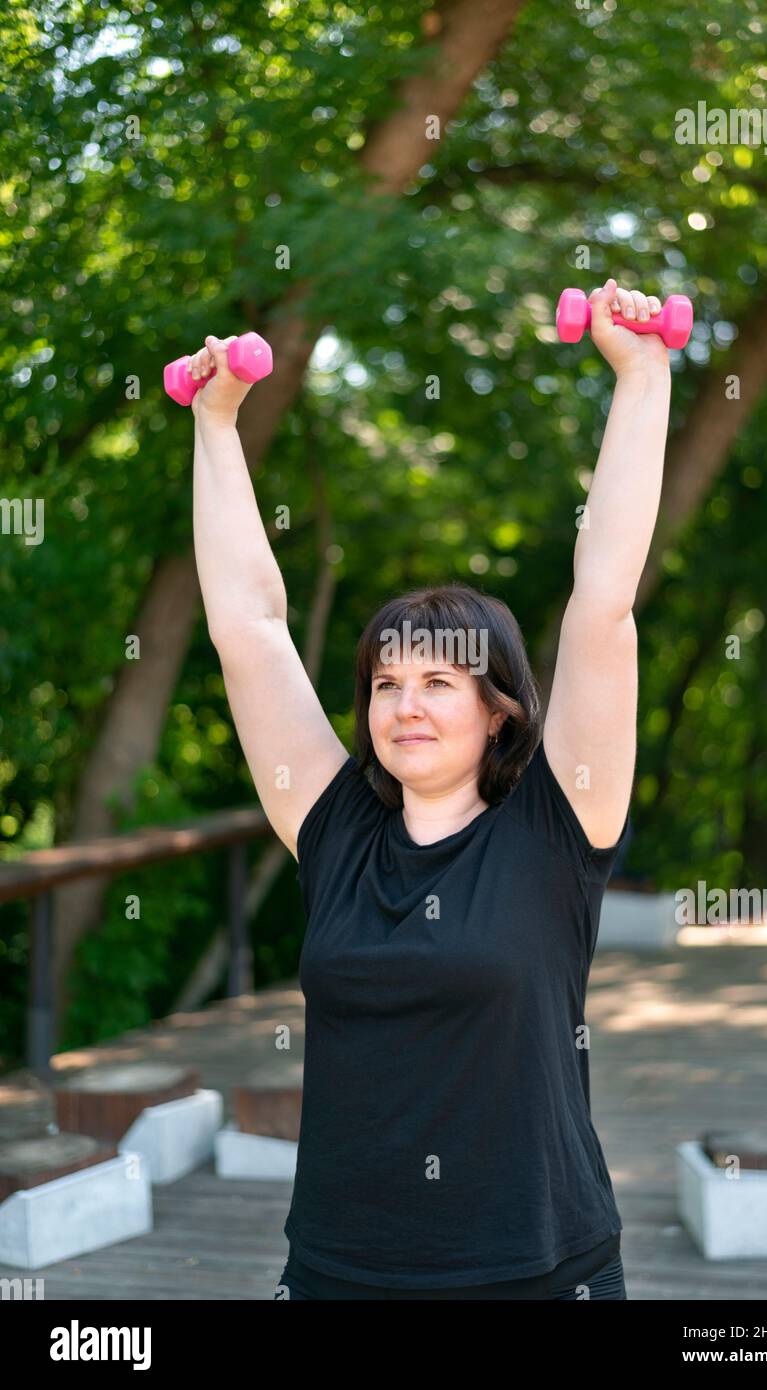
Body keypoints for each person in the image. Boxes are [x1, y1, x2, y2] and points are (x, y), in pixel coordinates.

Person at [189, 278, 672, 1299]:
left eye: (440, 681)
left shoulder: (554, 825)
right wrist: (216, 421)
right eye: (386, 682)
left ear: (499, 708)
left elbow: (603, 607)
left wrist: (642, 377)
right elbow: (247, 629)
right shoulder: (336, 833)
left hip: (537, 1272)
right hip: (339, 1271)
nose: (405, 704)